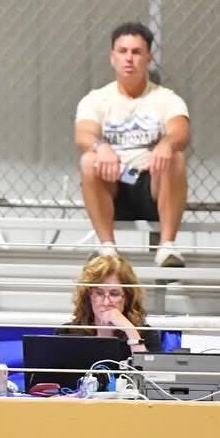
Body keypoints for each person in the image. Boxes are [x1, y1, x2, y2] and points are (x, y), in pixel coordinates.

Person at [74, 22, 191, 268]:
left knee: (175, 157)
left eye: (137, 52)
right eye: (123, 51)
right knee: (88, 160)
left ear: (149, 58)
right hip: (114, 183)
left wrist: (167, 144)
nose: (129, 58)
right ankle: (107, 248)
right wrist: (101, 147)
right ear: (112, 57)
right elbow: (83, 134)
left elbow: (180, 131)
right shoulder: (97, 99)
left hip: (152, 186)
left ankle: (167, 247)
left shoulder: (166, 99)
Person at [58, 252, 161, 354]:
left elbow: (147, 369)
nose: (106, 302)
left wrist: (131, 331)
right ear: (88, 296)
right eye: (99, 293)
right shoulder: (67, 333)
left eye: (114, 294)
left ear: (128, 298)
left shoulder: (146, 334)